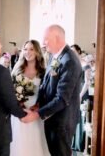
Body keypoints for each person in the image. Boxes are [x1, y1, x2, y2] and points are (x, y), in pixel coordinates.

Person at [22, 25, 82, 156]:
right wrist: (38, 104)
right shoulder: (54, 56)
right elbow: (46, 84)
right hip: (53, 119)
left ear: (57, 38)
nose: (43, 43)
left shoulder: (69, 61)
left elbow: (62, 98)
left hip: (62, 121)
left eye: (46, 39)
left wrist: (37, 115)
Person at [10, 39, 49, 156]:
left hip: (34, 112)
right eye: (25, 49)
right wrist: (18, 104)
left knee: (35, 144)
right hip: (18, 112)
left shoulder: (43, 72)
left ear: (37, 52)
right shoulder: (17, 69)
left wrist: (38, 106)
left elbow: (47, 94)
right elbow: (10, 90)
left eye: (31, 49)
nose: (28, 52)